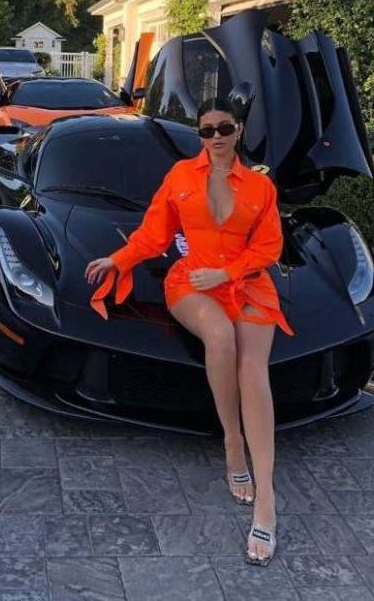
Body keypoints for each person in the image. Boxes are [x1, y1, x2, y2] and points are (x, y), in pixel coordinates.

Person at [84, 96, 294, 567]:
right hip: (193, 282)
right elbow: (153, 234)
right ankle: (232, 443)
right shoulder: (180, 176)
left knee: (253, 370)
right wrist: (118, 259)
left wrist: (228, 272)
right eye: (207, 130)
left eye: (224, 128)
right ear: (199, 135)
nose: (215, 137)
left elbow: (269, 248)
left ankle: (266, 499)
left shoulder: (260, 186)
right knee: (219, 336)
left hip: (248, 284)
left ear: (239, 131)